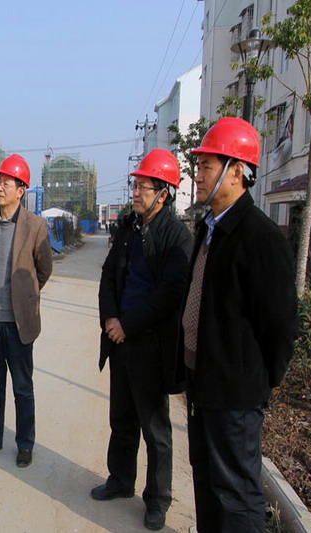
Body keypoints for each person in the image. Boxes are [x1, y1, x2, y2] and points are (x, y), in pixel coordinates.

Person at [181, 117, 298, 532]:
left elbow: (280, 325)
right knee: (207, 478)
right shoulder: (209, 229)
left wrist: (258, 381)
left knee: (236, 493)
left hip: (235, 392)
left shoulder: (259, 237)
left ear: (236, 171)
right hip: (203, 382)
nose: (197, 176)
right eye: (198, 167)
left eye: (207, 166)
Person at [93, 149, 193, 530]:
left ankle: (157, 499)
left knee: (155, 430)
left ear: (163, 194)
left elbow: (170, 295)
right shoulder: (127, 229)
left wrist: (128, 325)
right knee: (121, 418)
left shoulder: (177, 237)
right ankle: (120, 480)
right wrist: (110, 318)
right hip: (120, 341)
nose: (135, 193)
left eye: (143, 187)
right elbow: (108, 276)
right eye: (135, 186)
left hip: (151, 346)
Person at [0, 154, 53, 468]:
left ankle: (25, 444)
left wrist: (24, 297)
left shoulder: (36, 226)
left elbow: (44, 269)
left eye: (6, 182)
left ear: (21, 190)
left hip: (18, 324)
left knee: (22, 388)